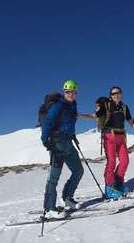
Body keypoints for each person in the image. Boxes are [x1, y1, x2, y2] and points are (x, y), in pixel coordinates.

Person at [41, 80, 84, 219]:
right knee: (53, 178)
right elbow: (48, 121)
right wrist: (46, 140)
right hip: (57, 144)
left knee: (78, 170)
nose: (71, 94)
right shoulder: (58, 106)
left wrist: (73, 136)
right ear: (64, 92)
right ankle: (49, 209)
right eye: (68, 92)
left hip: (68, 143)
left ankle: (67, 198)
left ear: (76, 93)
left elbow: (68, 123)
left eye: (73, 92)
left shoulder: (73, 106)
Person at [96, 86, 134, 199]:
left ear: (121, 94)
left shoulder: (124, 107)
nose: (116, 95)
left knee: (125, 161)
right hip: (110, 136)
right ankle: (109, 188)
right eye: (113, 94)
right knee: (112, 162)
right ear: (111, 96)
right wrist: (79, 115)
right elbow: (96, 116)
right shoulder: (107, 105)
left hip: (121, 137)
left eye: (118, 93)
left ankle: (118, 183)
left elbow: (130, 122)